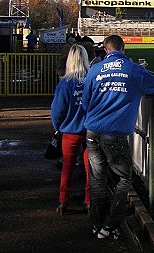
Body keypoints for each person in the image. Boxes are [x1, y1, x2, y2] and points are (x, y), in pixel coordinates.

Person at [82, 35, 154, 240]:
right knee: (124, 179)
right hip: (115, 134)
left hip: (92, 131)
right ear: (123, 48)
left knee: (97, 180)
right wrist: (140, 74)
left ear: (105, 49)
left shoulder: (95, 70)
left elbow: (85, 102)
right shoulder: (133, 70)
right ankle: (110, 224)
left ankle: (97, 224)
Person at [51, 43, 91, 215]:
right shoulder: (91, 79)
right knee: (90, 168)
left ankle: (63, 201)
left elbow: (57, 110)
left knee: (68, 166)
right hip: (90, 130)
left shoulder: (65, 83)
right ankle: (89, 201)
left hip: (70, 131)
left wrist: (57, 128)